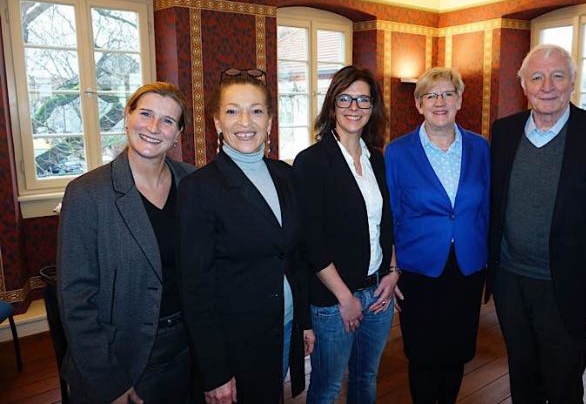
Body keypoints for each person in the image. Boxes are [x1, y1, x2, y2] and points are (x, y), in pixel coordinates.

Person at [488, 44, 586, 403]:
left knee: (562, 384)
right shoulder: (504, 132)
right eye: (537, 77)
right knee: (521, 377)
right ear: (523, 84)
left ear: (572, 82)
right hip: (511, 282)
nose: (548, 86)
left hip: (570, 290)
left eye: (558, 76)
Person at [177, 68, 314, 404]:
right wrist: (216, 371)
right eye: (232, 110)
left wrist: (303, 322)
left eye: (256, 111)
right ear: (216, 122)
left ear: (269, 121)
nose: (245, 122)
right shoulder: (199, 188)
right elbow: (194, 288)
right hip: (235, 341)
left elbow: (294, 256)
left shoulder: (285, 174)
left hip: (283, 325)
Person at [57, 82, 195, 403]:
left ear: (178, 135)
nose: (153, 127)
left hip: (187, 348)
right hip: (122, 357)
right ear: (127, 116)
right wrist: (109, 381)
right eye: (145, 114)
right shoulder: (87, 193)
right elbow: (76, 299)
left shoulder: (193, 183)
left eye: (167, 121)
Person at [293, 65, 399, 404]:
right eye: (345, 98)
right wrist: (345, 297)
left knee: (366, 378)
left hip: (378, 293)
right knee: (326, 387)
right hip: (333, 300)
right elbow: (311, 240)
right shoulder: (311, 162)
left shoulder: (377, 160)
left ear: (373, 107)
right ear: (332, 104)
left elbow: (387, 224)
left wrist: (393, 273)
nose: (354, 107)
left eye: (363, 100)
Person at [385, 67, 489, 403]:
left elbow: (488, 208)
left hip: (468, 267)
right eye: (430, 95)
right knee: (423, 354)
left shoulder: (481, 148)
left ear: (460, 100)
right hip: (419, 269)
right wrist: (393, 268)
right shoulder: (398, 152)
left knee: (456, 352)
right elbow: (393, 215)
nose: (439, 101)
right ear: (418, 104)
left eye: (447, 94)